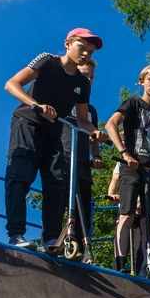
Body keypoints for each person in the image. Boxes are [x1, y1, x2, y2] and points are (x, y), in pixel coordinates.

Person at [3, 28, 106, 251]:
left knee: (56, 184)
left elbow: (82, 120)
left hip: (54, 133)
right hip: (27, 124)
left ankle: (50, 240)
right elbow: (11, 84)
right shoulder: (47, 61)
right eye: (82, 48)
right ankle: (16, 234)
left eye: (90, 52)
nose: (86, 55)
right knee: (20, 177)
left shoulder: (82, 83)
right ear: (68, 43)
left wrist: (96, 133)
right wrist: (36, 105)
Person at [104, 65, 150, 274]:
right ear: (142, 81)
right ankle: (119, 265)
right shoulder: (133, 104)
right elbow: (110, 125)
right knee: (126, 216)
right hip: (132, 169)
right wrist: (125, 153)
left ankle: (145, 267)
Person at [60, 59, 104, 264]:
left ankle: (82, 248)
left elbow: (93, 139)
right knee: (59, 201)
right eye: (85, 75)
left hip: (82, 162)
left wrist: (96, 155)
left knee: (84, 206)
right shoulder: (61, 99)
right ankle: (54, 239)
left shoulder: (90, 110)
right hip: (61, 156)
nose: (89, 80)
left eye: (92, 77)